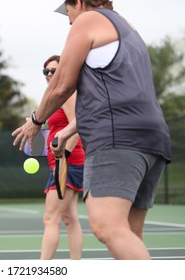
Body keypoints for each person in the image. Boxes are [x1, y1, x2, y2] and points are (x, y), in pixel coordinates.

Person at [12, 0, 171, 260]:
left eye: (69, 10)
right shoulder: (127, 28)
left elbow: (62, 83)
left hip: (117, 137)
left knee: (106, 225)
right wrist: (65, 133)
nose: (70, 19)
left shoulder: (89, 20)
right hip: (153, 138)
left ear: (80, 2)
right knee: (129, 232)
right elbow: (110, 91)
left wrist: (36, 120)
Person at [39, 55, 85, 260]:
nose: (49, 74)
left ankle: (42, 268)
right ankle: (76, 265)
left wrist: (62, 159)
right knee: (70, 218)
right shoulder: (56, 96)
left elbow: (78, 125)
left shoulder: (67, 94)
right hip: (65, 162)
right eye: (46, 71)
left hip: (68, 162)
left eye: (54, 70)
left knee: (51, 218)